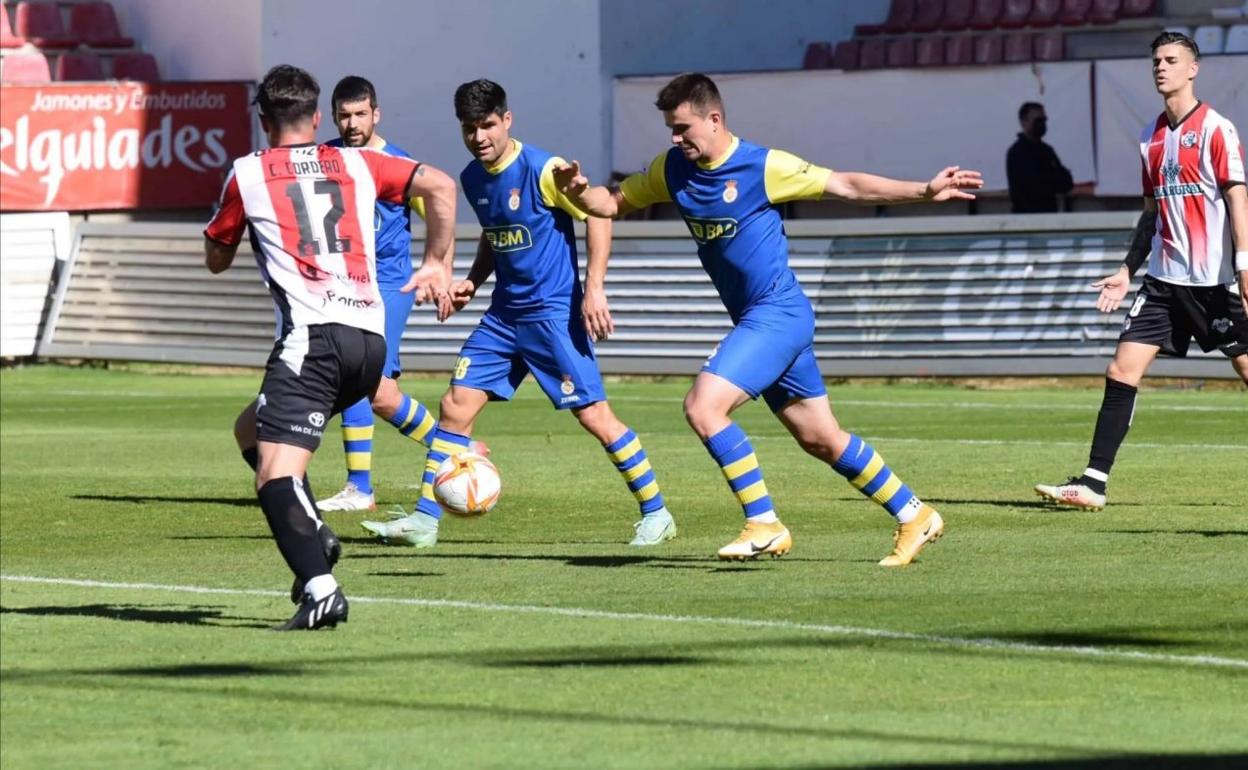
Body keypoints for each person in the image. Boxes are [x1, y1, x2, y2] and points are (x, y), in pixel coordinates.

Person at [553, 73, 982, 564]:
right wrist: (578, 193)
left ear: (714, 119)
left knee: (703, 407)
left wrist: (923, 191)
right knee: (821, 439)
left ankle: (763, 522)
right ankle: (915, 515)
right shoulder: (671, 169)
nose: (676, 138)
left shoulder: (763, 165)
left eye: (683, 127)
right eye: (671, 130)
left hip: (776, 313)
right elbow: (609, 204)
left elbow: (844, 184)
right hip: (765, 319)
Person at [360, 79, 676, 549]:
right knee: (454, 406)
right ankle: (425, 521)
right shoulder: (472, 178)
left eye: (488, 125)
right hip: (503, 317)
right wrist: (473, 280)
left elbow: (599, 215)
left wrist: (594, 291)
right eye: (469, 129)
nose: (479, 137)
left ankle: (657, 512)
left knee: (596, 418)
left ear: (507, 120)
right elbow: (496, 233)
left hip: (553, 316)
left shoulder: (544, 169)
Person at [204, 64, 457, 630]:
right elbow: (441, 184)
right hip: (369, 339)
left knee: (274, 475)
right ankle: (314, 528)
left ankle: (321, 590)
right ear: (319, 118)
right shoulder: (356, 160)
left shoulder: (246, 173)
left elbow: (216, 259)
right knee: (251, 430)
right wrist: (438, 262)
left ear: (263, 121)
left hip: (312, 339)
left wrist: (238, 238)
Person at [1035, 31, 1247, 511]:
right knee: (1121, 370)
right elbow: (1151, 213)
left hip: (1215, 285)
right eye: (1156, 60)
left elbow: (1239, 198)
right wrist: (1128, 269)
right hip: (1163, 284)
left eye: (1171, 60)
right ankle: (1093, 483)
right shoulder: (1151, 139)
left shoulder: (1217, 129)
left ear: (1193, 69)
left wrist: (1244, 265)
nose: (1161, 67)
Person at [315, 75, 486, 513]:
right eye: (344, 115)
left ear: (377, 114)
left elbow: (439, 213)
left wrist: (443, 271)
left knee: (364, 383)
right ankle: (455, 450)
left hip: (390, 286)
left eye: (360, 114)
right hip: (343, 290)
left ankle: (361, 487)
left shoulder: (397, 163)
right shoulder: (324, 159)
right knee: (379, 394)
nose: (352, 123)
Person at [1006, 102, 1074, 214]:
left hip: (1049, 216)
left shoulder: (1047, 150)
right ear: (1024, 122)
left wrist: (1049, 179)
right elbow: (1035, 188)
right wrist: (1052, 178)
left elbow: (1067, 182)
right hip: (1025, 219)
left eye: (1044, 120)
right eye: (1038, 120)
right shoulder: (1017, 153)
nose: (1042, 124)